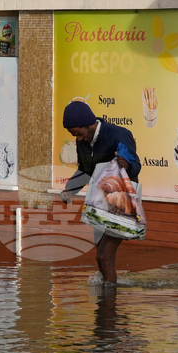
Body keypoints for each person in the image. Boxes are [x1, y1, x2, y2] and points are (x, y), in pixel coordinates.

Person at [60, 99, 141, 286]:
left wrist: (127, 164)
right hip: (99, 203)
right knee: (102, 256)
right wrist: (69, 190)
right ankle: (110, 296)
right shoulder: (82, 140)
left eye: (79, 134)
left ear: (89, 125)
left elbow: (135, 166)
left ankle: (108, 304)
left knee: (103, 256)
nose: (78, 139)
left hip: (122, 203)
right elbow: (85, 169)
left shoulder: (118, 135)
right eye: (75, 135)